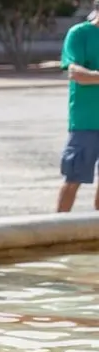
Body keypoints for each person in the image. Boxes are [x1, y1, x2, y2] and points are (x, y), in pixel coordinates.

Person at [57, 12, 99, 212]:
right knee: (73, 179)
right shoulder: (79, 34)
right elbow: (75, 73)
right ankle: (57, 226)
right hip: (85, 122)